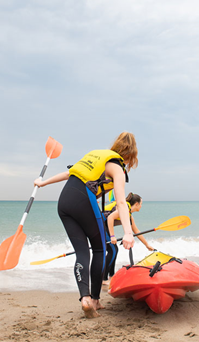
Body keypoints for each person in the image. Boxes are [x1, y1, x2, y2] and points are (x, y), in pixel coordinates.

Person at [34, 132, 138, 318]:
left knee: (82, 252)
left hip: (64, 201)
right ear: (130, 155)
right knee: (99, 250)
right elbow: (121, 202)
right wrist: (128, 232)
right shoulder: (117, 167)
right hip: (83, 200)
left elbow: (68, 174)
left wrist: (42, 183)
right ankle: (95, 300)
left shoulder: (95, 155)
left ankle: (84, 298)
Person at [103, 192, 154, 285]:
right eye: (141, 204)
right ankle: (103, 279)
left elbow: (137, 231)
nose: (141, 206)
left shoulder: (129, 215)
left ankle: (111, 275)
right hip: (98, 224)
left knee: (114, 249)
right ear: (137, 204)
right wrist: (112, 236)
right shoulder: (124, 208)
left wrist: (147, 245)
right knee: (113, 250)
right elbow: (110, 218)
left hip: (104, 226)